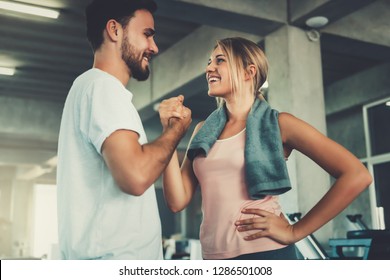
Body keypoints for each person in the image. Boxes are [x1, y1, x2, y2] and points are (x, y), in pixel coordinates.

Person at [161, 37, 372, 260]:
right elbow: (177, 201)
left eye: (219, 60)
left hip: (265, 252)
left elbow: (356, 175)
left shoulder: (280, 124)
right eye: (209, 61)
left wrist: (295, 231)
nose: (209, 68)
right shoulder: (202, 131)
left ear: (248, 72)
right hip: (214, 256)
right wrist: (169, 135)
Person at [56, 0, 191, 260]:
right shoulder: (102, 88)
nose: (154, 47)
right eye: (147, 34)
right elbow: (136, 176)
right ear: (114, 30)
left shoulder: (90, 88)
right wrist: (176, 130)